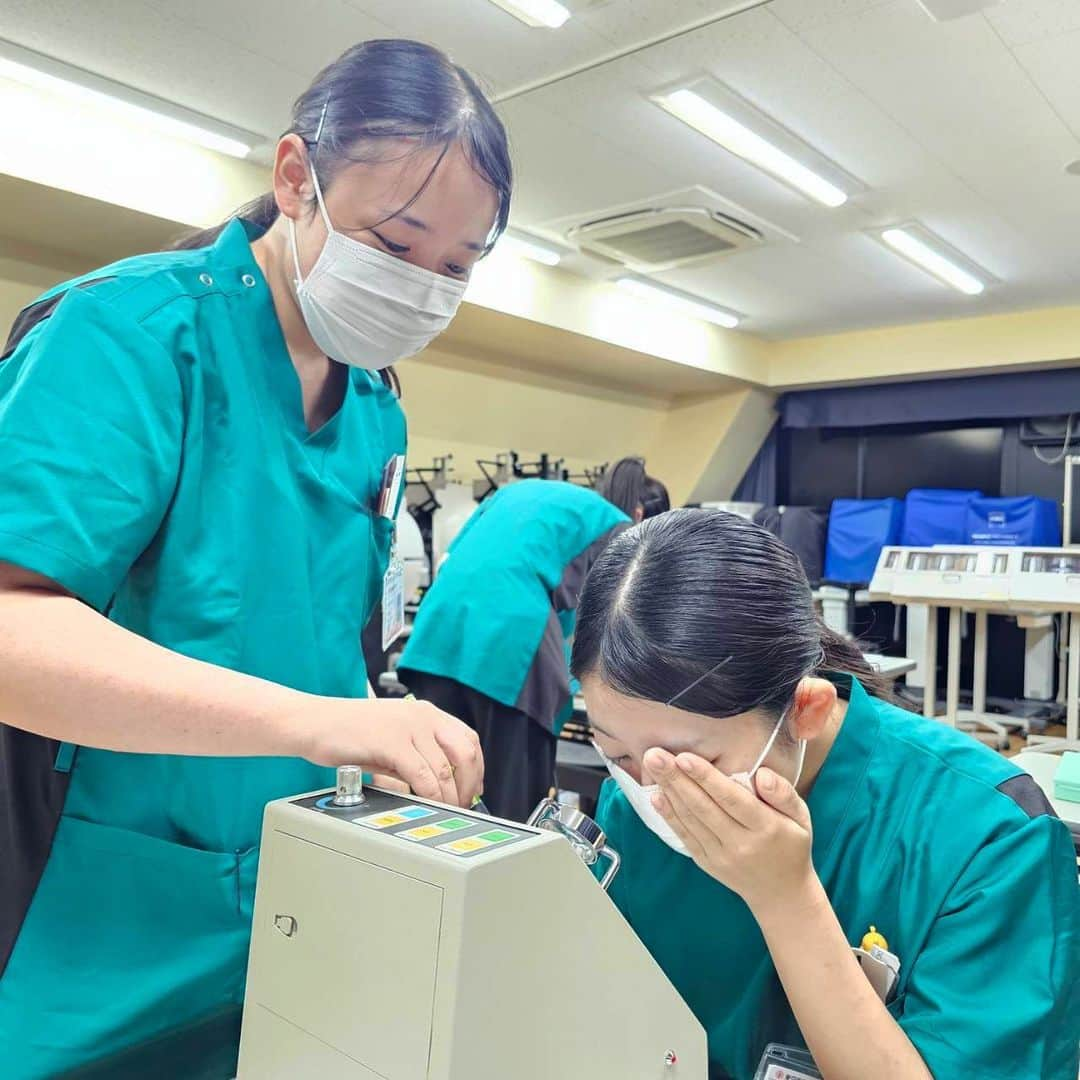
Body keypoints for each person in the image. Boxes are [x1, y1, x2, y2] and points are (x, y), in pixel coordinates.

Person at [0, 39, 511, 1078]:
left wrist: (382, 742)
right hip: (98, 908)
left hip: (286, 894)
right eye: (397, 244)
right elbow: (12, 631)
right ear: (295, 179)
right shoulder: (130, 336)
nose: (423, 289)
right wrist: (327, 723)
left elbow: (312, 634)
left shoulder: (372, 405)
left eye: (458, 268)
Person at [571, 508, 1080, 1080]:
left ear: (806, 708)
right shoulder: (633, 808)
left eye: (693, 764)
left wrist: (787, 900)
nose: (653, 792)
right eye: (617, 755)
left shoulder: (988, 838)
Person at [398, 460, 669, 821]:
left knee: (436, 789)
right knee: (517, 812)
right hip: (509, 649)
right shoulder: (619, 528)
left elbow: (457, 557)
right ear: (640, 515)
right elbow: (613, 626)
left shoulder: (522, 493)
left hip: (438, 635)